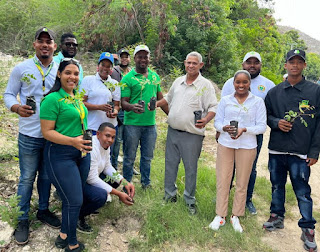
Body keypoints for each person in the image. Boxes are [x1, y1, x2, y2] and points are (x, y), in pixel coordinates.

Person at [3, 27, 61, 245]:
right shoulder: (22, 68)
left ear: (55, 46)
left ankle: (43, 210)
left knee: (46, 176)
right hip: (29, 133)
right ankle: (22, 218)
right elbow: (8, 93)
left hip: (52, 134)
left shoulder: (60, 68)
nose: (45, 45)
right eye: (41, 41)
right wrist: (16, 107)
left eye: (49, 41)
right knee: (27, 178)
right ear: (34, 44)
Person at [263, 49, 320, 251]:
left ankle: (307, 228)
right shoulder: (274, 92)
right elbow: (266, 116)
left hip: (301, 152)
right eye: (291, 61)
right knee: (277, 186)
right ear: (285, 65)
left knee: (303, 191)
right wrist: (276, 122)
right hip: (277, 149)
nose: (295, 65)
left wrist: (314, 152)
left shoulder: (315, 91)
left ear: (305, 65)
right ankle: (276, 216)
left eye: (299, 62)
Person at [156, 51, 217, 215]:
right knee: (170, 165)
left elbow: (213, 107)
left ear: (201, 65)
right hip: (173, 132)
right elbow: (168, 98)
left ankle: (189, 200)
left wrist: (206, 120)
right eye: (188, 62)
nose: (191, 66)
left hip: (192, 135)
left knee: (190, 168)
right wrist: (155, 104)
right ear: (184, 63)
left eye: (194, 63)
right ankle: (169, 195)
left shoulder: (205, 85)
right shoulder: (178, 81)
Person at [40, 58, 91, 252]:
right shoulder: (51, 99)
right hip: (61, 155)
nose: (73, 77)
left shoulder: (76, 97)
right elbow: (47, 132)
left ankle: (63, 235)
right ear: (59, 74)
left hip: (82, 152)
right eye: (68, 72)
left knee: (72, 198)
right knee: (74, 200)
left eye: (76, 74)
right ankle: (72, 244)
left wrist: (83, 142)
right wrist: (73, 141)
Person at [209, 70, 266, 232]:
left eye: (244, 82)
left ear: (249, 83)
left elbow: (262, 126)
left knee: (242, 182)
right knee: (223, 179)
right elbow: (217, 123)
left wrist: (244, 129)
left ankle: (236, 216)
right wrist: (224, 128)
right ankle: (220, 215)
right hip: (226, 144)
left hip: (247, 146)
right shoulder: (225, 100)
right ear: (233, 83)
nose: (241, 85)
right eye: (238, 82)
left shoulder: (257, 102)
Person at [221, 51, 275, 214]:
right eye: (248, 62)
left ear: (260, 65)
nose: (252, 65)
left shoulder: (268, 85)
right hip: (229, 134)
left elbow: (270, 112)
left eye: (255, 62)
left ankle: (247, 200)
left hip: (253, 136)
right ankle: (224, 198)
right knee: (228, 168)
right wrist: (219, 132)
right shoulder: (230, 82)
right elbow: (221, 110)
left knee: (249, 169)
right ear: (243, 64)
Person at [121, 44, 168, 189]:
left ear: (149, 58)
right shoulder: (127, 78)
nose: (143, 59)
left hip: (150, 124)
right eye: (140, 56)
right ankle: (127, 184)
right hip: (132, 124)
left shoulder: (155, 77)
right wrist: (132, 107)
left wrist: (171, 115)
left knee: (147, 157)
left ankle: (145, 183)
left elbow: (161, 98)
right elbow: (123, 103)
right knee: (129, 157)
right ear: (134, 58)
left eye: (145, 56)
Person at [77, 122, 135, 233]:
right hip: (81, 183)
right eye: (107, 136)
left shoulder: (105, 145)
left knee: (115, 180)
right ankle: (78, 215)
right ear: (98, 134)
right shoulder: (92, 147)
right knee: (101, 196)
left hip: (92, 178)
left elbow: (107, 166)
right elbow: (91, 178)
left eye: (113, 137)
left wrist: (124, 182)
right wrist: (118, 194)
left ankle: (89, 202)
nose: (110, 140)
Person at [110, 48, 138, 174]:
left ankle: (129, 167)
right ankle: (113, 168)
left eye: (127, 57)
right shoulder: (114, 71)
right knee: (117, 141)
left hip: (130, 109)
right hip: (119, 109)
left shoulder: (132, 72)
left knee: (130, 140)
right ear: (119, 58)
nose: (125, 59)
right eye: (122, 57)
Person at [81, 52, 120, 135]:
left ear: (111, 69)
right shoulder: (88, 80)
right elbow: (81, 103)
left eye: (108, 66)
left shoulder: (115, 84)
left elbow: (117, 104)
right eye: (103, 65)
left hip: (110, 127)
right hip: (93, 126)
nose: (105, 68)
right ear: (98, 66)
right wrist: (99, 107)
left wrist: (115, 111)